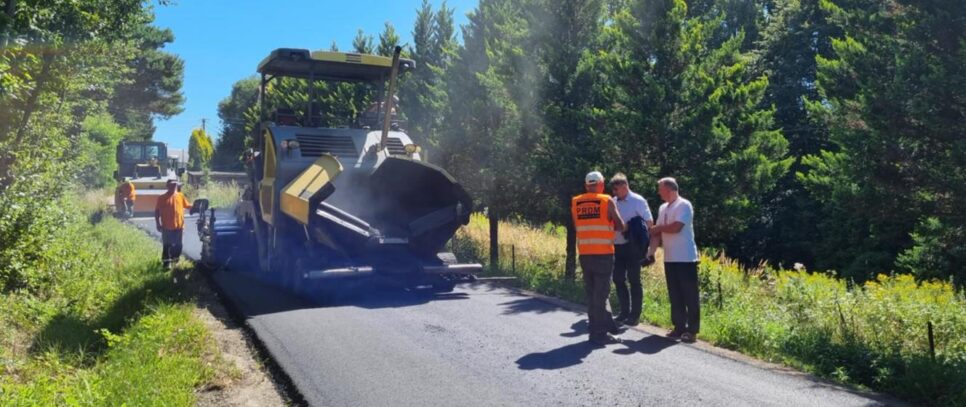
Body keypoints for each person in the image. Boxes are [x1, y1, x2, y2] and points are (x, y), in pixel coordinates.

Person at [572, 171, 626, 346]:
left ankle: (595, 328)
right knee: (601, 295)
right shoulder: (606, 200)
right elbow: (620, 225)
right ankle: (599, 334)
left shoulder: (576, 202)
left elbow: (576, 225)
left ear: (587, 185)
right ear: (601, 184)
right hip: (603, 253)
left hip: (585, 253)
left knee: (591, 293)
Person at [649, 177, 700, 343]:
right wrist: (651, 252)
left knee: (689, 294)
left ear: (669, 189)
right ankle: (679, 327)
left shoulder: (684, 205)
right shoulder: (663, 207)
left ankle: (692, 331)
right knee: (675, 294)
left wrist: (658, 228)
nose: (658, 192)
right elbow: (656, 233)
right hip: (670, 257)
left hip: (686, 257)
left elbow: (676, 228)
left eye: (660, 189)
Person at [608, 173, 653, 326]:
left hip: (633, 246)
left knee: (634, 280)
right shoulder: (613, 201)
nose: (614, 192)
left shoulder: (638, 201)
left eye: (616, 189)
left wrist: (630, 227)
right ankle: (624, 312)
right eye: (613, 189)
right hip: (617, 245)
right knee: (618, 278)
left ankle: (634, 315)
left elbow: (648, 223)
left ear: (625, 186)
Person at [155, 180, 192, 269]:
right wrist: (158, 224)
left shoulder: (180, 196)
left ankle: (175, 261)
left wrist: (196, 206)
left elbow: (187, 205)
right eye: (172, 185)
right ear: (167, 186)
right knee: (167, 245)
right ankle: (166, 263)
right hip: (167, 226)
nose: (174, 186)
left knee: (178, 245)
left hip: (179, 226)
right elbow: (157, 211)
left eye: (175, 185)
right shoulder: (162, 198)